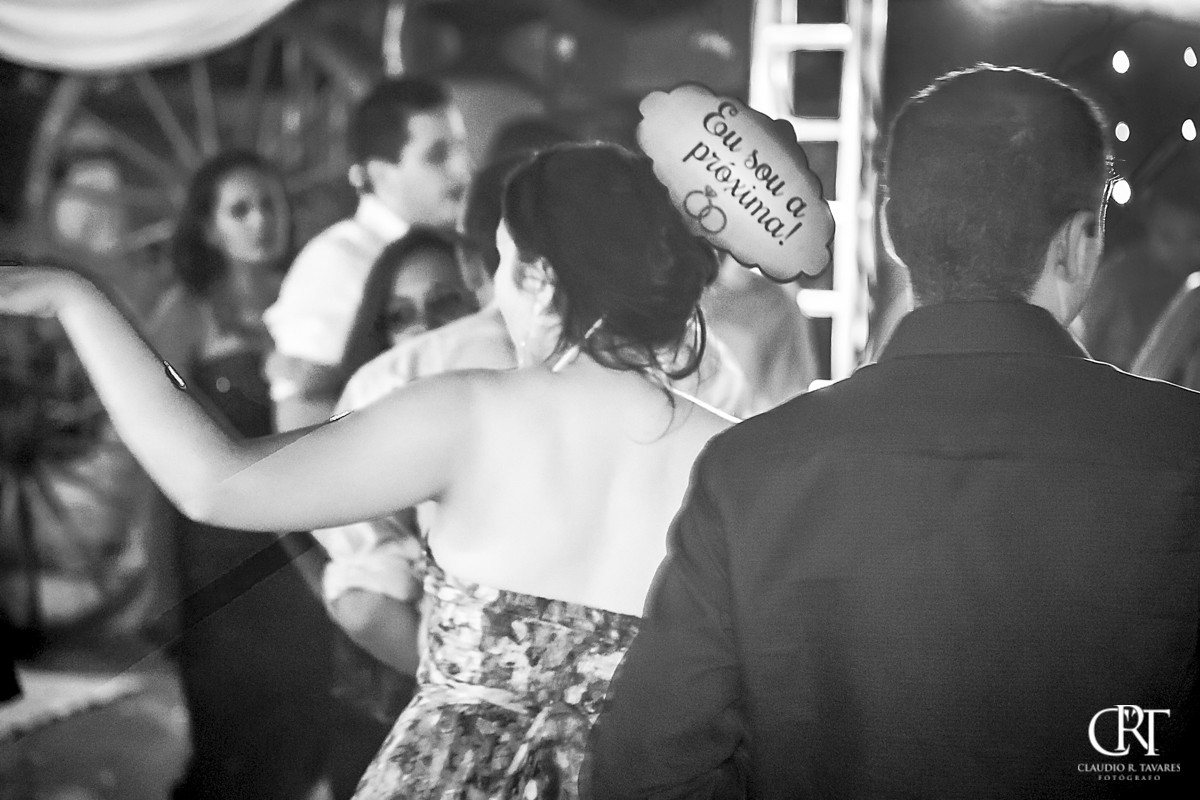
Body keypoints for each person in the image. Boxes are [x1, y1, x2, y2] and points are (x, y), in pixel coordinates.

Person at [0, 143, 733, 799]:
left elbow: (213, 482)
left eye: (504, 266)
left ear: (540, 279)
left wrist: (74, 299)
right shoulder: (734, 454)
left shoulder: (468, 411)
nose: (496, 298)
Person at [587, 65, 1200, 797]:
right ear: (1076, 243)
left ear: (889, 230)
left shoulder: (750, 469)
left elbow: (645, 774)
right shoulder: (1184, 453)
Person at [147, 150, 334, 800]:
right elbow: (155, 457)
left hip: (304, 549)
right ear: (208, 227)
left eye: (270, 205)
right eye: (240, 209)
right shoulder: (187, 313)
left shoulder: (316, 300)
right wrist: (158, 579)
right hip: (217, 558)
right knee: (228, 744)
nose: (261, 221)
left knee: (301, 736)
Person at [321, 226, 477, 800]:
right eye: (400, 316)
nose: (425, 329)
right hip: (407, 710)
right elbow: (362, 605)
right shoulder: (368, 419)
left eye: (446, 303)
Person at [264, 76, 471, 431]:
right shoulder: (337, 261)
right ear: (382, 175)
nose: (463, 170)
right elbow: (300, 422)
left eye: (461, 149)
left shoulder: (455, 247)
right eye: (437, 156)